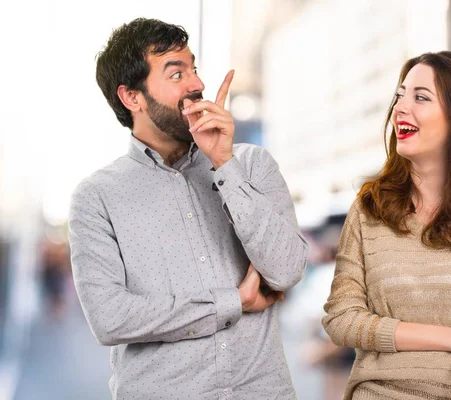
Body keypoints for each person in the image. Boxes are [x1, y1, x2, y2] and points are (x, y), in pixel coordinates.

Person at [68, 18, 308, 399]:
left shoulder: (251, 164)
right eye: (176, 73)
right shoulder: (96, 197)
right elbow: (111, 319)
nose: (197, 84)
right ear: (132, 97)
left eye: (194, 69)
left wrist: (225, 166)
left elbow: (287, 269)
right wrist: (232, 302)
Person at [322, 51, 451, 400]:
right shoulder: (370, 208)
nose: (401, 107)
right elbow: (341, 320)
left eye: (420, 97)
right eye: (401, 95)